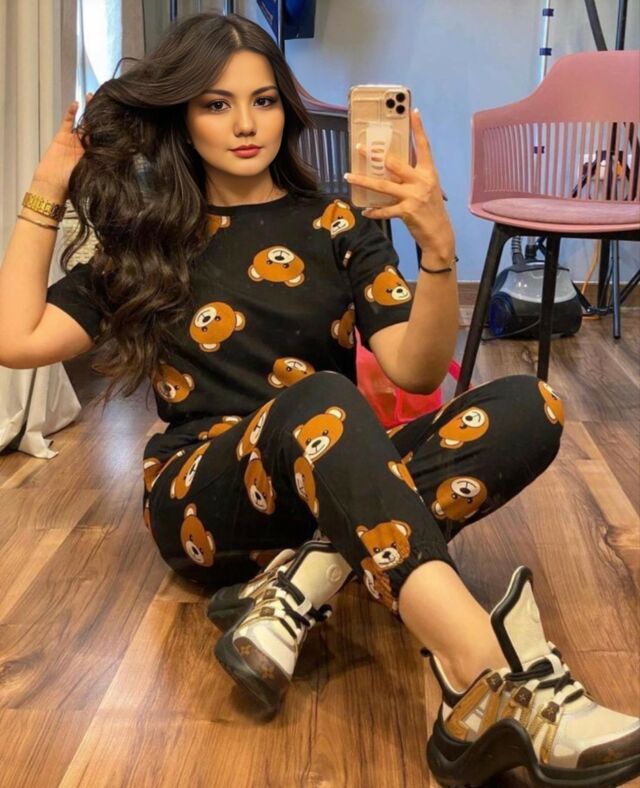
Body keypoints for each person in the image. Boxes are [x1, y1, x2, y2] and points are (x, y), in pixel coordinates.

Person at [2, 10, 637, 787]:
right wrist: (45, 190)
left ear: (287, 109)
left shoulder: (338, 223)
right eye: (216, 104)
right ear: (182, 117)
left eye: (264, 100)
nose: (246, 124)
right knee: (324, 399)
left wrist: (438, 250)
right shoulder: (152, 238)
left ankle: (304, 578)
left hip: (335, 471)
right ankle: (480, 671)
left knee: (530, 406)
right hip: (204, 498)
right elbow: (16, 337)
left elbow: (415, 370)